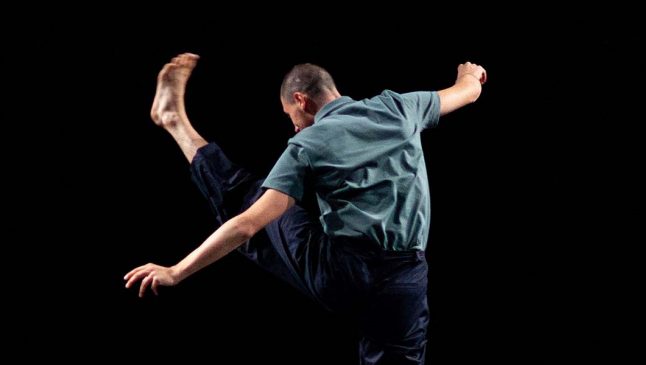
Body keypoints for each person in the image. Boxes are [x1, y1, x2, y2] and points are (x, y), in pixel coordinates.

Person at [125, 52, 486, 364]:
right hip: (405, 279)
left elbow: (247, 225)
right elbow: (468, 93)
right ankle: (173, 118)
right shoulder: (399, 107)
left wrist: (176, 271)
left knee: (250, 202)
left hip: (343, 273)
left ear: (301, 100)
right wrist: (469, 74)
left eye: (289, 115)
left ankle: (175, 121)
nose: (293, 127)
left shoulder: (306, 145)